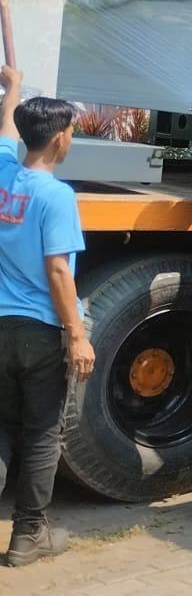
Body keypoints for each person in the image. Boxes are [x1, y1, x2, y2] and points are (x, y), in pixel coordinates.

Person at [0, 67, 95, 567]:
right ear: (59, 139)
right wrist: (76, 335)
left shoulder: (2, 174)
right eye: (72, 131)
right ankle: (28, 535)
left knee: (1, 426)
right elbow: (58, 270)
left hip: (0, 325)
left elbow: (4, 133)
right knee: (41, 432)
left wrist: (12, 87)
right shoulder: (56, 196)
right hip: (40, 330)